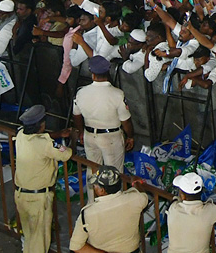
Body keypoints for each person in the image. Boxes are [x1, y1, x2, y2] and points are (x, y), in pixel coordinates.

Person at [13, 104, 72, 253]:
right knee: (40, 241)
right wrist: (69, 139)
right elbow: (66, 154)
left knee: (30, 236)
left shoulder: (21, 135)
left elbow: (40, 139)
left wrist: (57, 135)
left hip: (21, 195)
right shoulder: (45, 144)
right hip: (38, 199)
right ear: (42, 124)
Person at [72, 55, 134, 172]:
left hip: (90, 136)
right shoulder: (117, 94)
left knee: (93, 172)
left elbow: (76, 116)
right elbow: (126, 121)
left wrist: (81, 132)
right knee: (113, 175)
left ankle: (92, 191)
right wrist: (130, 136)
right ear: (108, 71)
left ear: (92, 73)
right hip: (111, 138)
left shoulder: (81, 93)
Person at [68, 166, 149, 253]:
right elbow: (142, 194)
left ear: (102, 190)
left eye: (95, 185)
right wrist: (136, 182)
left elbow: (76, 247)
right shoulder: (136, 199)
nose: (94, 187)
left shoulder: (88, 213)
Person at [168, 172, 216, 253]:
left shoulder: (173, 209)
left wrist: (176, 198)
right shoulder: (209, 211)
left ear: (183, 196)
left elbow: (175, 200)